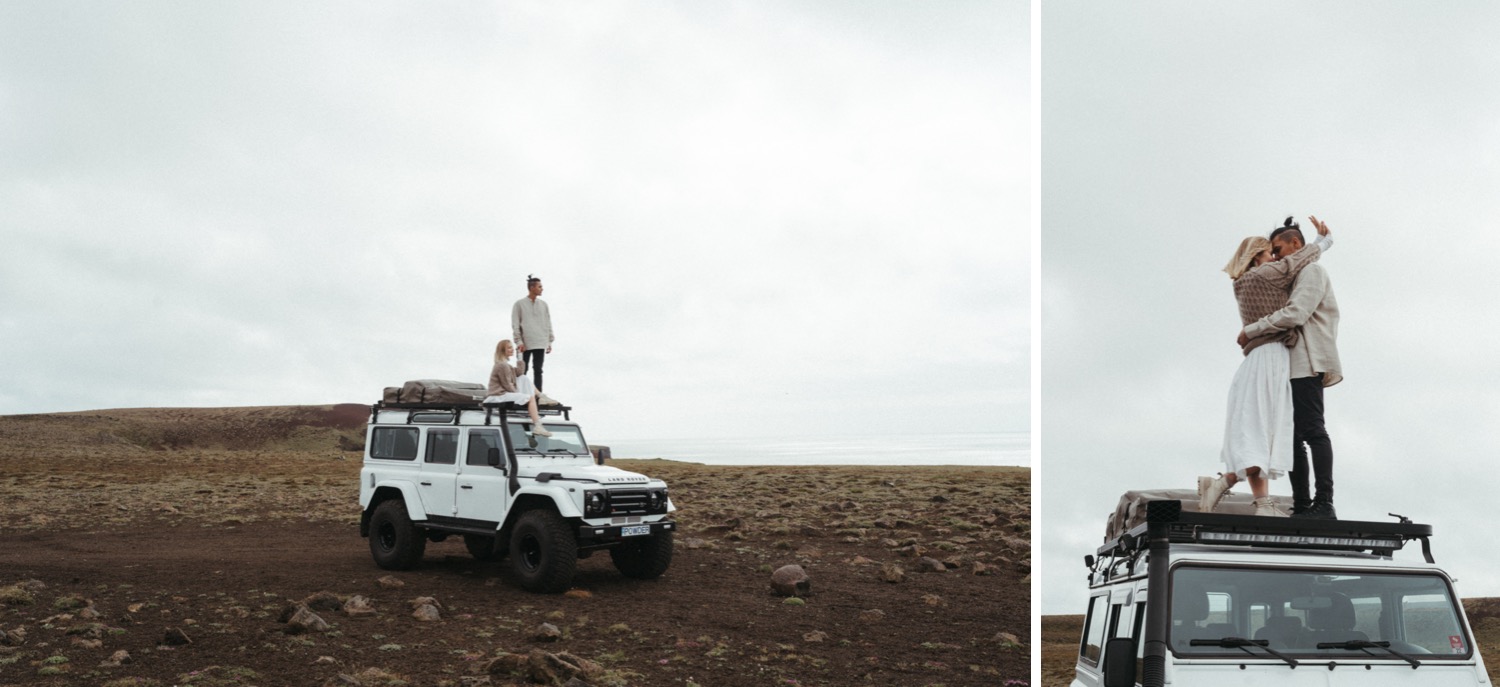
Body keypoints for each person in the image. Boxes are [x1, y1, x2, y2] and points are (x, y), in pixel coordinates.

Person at [1200, 216, 1332, 517]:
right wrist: (1323, 243)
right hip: (1272, 356)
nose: (1274, 257)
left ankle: (1228, 483)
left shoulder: (1242, 282)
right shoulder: (1267, 274)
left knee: (1259, 428)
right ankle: (1263, 503)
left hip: (1258, 360)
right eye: (1269, 252)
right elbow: (1291, 270)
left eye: (1276, 251)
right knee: (1266, 428)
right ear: (1257, 256)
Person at [1236, 215, 1342, 519]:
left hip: (1306, 363)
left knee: (1312, 430)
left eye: (1279, 249)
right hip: (1290, 365)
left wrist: (1254, 329)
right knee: (1293, 436)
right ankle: (1302, 505)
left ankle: (1324, 503)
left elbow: (1296, 313)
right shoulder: (1294, 275)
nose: (1276, 256)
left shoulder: (1311, 272)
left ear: (1296, 244)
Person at [484, 339, 552, 437]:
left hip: (503, 393)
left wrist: (520, 355)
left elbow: (520, 373)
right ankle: (538, 425)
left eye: (512, 347)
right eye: (509, 347)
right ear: (503, 350)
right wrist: (520, 395)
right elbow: (507, 385)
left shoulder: (506, 365)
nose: (512, 349)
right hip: (498, 395)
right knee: (530, 398)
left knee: (523, 378)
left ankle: (541, 396)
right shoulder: (502, 365)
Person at [511, 274, 555, 401]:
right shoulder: (519, 304)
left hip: (540, 341)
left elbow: (548, 322)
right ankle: (520, 395)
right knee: (522, 370)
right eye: (539, 287)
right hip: (525, 343)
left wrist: (549, 341)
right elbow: (515, 323)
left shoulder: (544, 304)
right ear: (532, 288)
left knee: (538, 370)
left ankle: (538, 396)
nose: (542, 289)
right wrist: (518, 341)